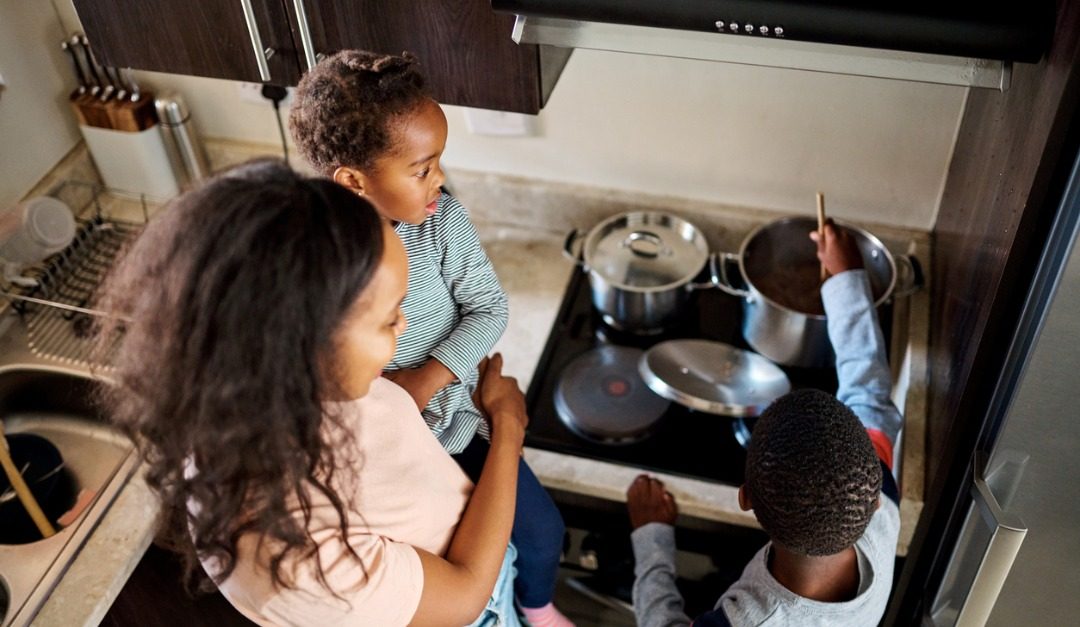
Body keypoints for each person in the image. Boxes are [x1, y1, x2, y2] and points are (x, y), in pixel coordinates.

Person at [98, 160, 528, 626]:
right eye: (389, 319)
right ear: (299, 343)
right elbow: (464, 594)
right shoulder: (297, 562)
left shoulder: (268, 387)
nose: (404, 328)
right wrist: (508, 427)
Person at [289, 50, 571, 626]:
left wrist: (426, 379)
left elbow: (488, 307)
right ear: (354, 182)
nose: (438, 178)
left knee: (542, 534)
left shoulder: (441, 222)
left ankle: (537, 607)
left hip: (459, 427)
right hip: (394, 466)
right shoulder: (314, 266)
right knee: (469, 559)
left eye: (437, 161)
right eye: (421, 169)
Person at [626, 220, 903, 626]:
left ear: (746, 498)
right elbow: (869, 395)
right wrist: (846, 279)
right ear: (873, 497)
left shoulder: (748, 620)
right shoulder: (880, 500)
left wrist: (652, 537)